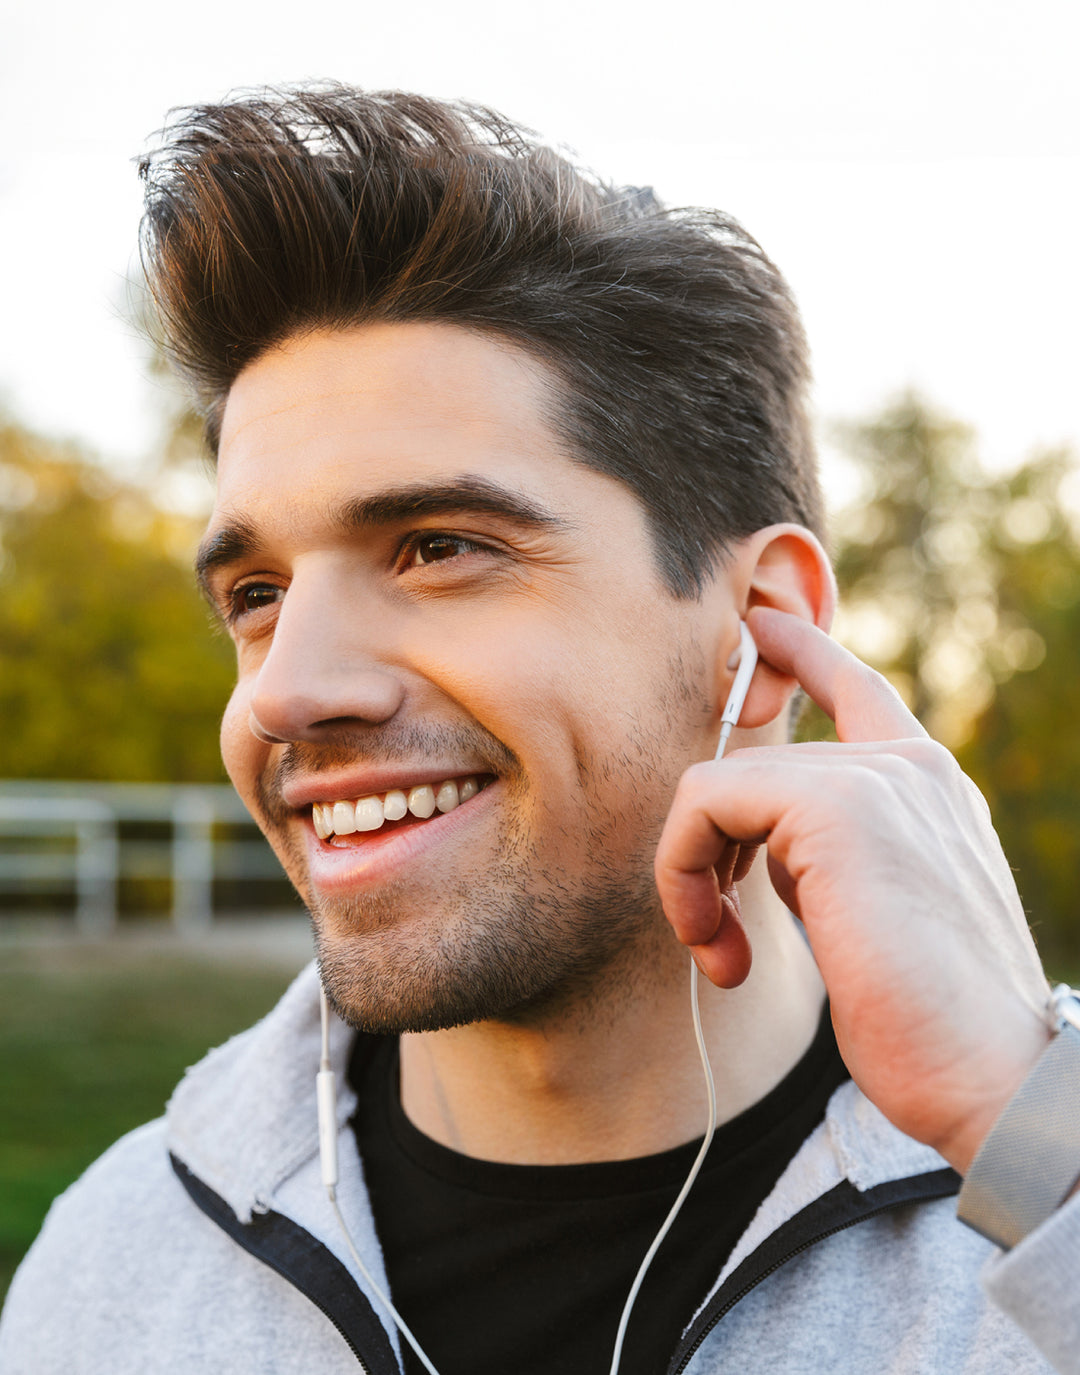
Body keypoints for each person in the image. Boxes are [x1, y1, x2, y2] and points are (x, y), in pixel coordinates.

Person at [1, 84, 1077, 1375]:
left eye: (440, 548)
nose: (283, 693)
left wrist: (1027, 1132)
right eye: (257, 596)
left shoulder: (1039, 1177)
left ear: (758, 627)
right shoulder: (112, 1275)